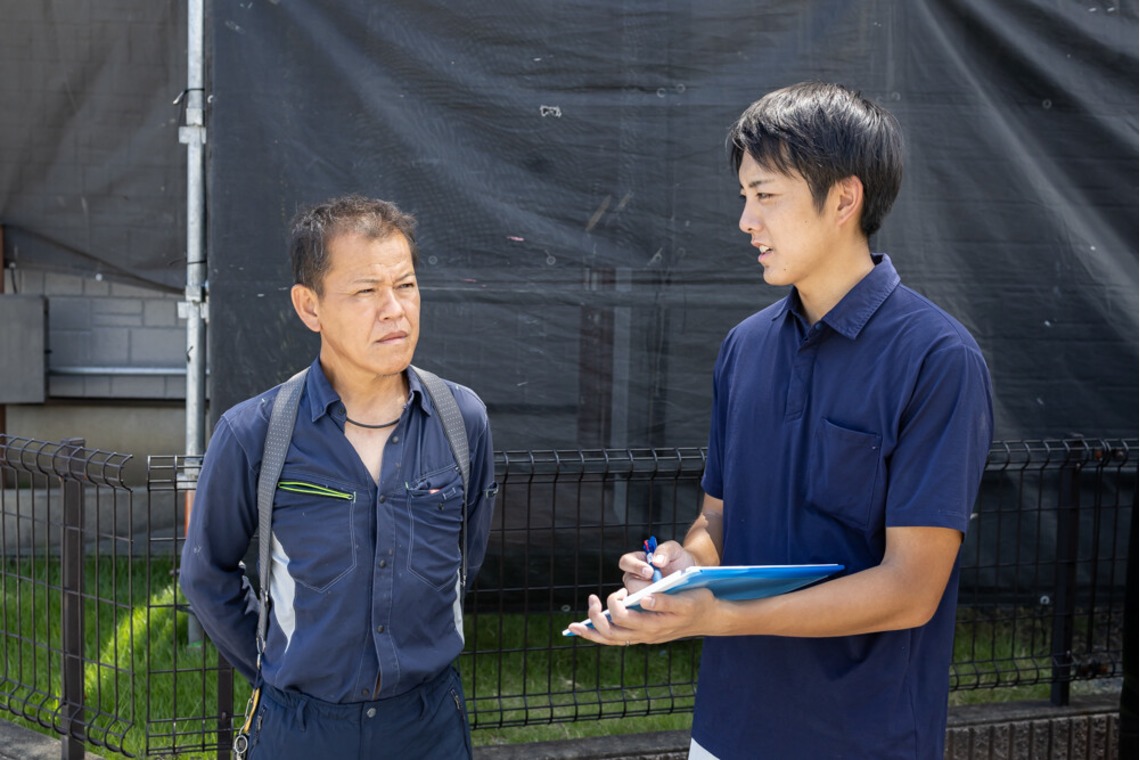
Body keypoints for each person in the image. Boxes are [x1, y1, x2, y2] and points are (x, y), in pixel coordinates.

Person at [568, 82, 994, 759]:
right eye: (744, 196)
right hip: (726, 729)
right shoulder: (745, 347)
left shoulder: (938, 359)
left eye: (766, 195)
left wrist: (718, 615)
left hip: (865, 738)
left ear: (845, 200)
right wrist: (682, 570)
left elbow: (912, 589)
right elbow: (718, 523)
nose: (746, 220)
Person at [180, 195, 497, 759]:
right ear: (310, 307)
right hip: (298, 730)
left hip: (428, 728)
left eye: (405, 285)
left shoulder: (461, 419)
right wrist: (277, 672)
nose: (395, 309)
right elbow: (207, 575)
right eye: (366, 291)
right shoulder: (254, 433)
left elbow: (464, 555)